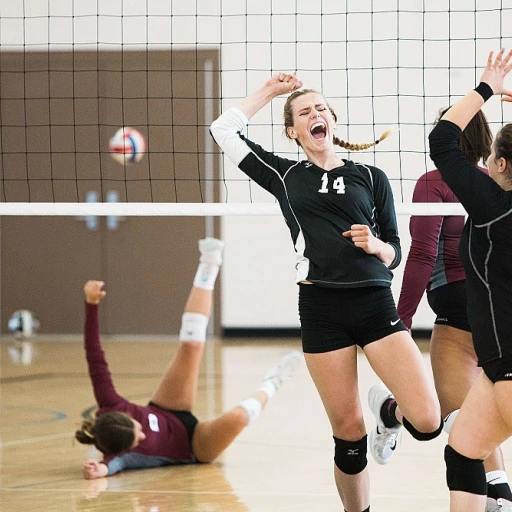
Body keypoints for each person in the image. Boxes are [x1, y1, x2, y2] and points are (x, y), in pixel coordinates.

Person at [210, 75, 442, 512]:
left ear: (333, 120)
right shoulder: (283, 174)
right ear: (292, 131)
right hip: (321, 307)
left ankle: (387, 413)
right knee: (348, 430)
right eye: (304, 112)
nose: (315, 114)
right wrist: (272, 92)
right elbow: (223, 130)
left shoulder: (371, 177)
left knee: (428, 422)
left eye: (321, 109)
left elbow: (394, 251)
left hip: (374, 302)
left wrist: (376, 246)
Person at [75, 237, 303, 479]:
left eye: (137, 429)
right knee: (238, 418)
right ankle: (274, 381)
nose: (142, 435)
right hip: (194, 446)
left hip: (168, 409)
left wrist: (91, 304)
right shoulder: (123, 455)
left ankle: (210, 262)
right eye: (137, 440)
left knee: (191, 346)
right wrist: (100, 470)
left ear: (123, 416)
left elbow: (94, 355)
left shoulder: (110, 402)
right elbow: (113, 464)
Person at [398, 109, 512, 511]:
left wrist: (401, 323)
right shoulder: (492, 192)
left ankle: (392, 410)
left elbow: (423, 252)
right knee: (465, 440)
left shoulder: (467, 194)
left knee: (451, 425)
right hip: (494, 339)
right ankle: (498, 493)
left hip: (481, 332)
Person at [429, 48, 512, 512]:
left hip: (508, 364)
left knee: (465, 453)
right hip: (498, 371)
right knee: (463, 451)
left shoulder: (492, 207)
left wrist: (486, 88)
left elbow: (443, 139)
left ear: (499, 166)